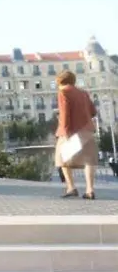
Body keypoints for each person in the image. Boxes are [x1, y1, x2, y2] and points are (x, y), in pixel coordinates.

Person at [55, 70, 99, 199]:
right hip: (87, 130)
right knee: (88, 160)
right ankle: (90, 190)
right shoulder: (83, 93)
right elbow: (93, 112)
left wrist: (65, 132)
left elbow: (65, 113)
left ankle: (71, 188)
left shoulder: (63, 92)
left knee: (62, 158)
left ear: (60, 81)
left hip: (71, 131)